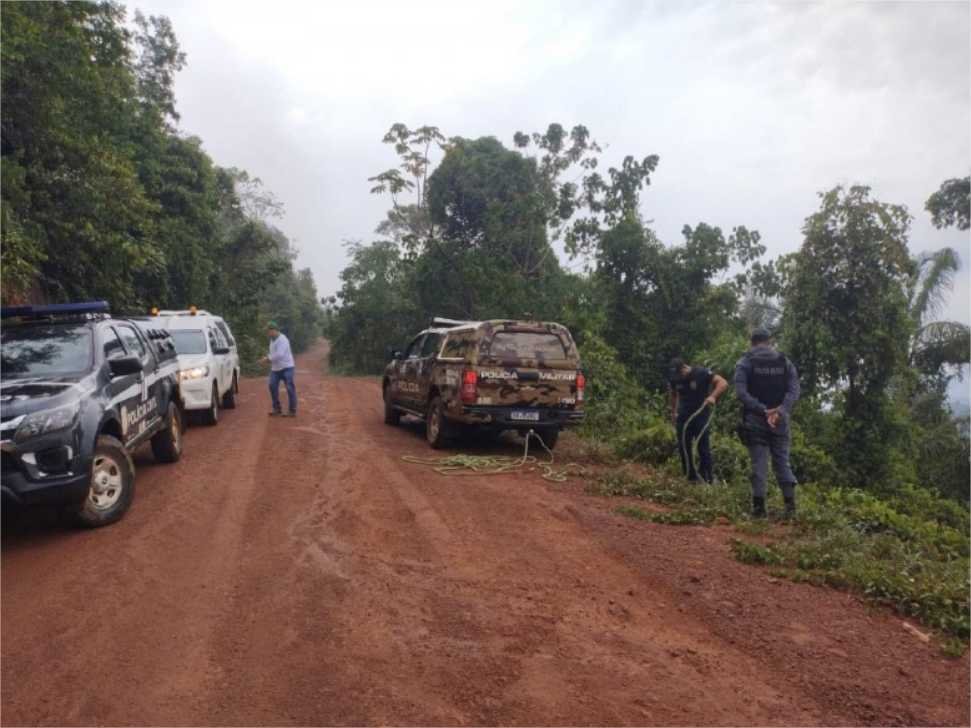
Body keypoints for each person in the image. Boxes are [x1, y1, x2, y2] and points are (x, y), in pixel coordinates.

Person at [734, 328, 800, 518]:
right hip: (779, 421)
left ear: (752, 341)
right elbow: (794, 391)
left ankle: (759, 510)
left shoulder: (745, 361)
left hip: (755, 419)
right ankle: (790, 509)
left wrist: (763, 410)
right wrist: (780, 411)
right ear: (769, 341)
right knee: (782, 461)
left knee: (759, 463)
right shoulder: (784, 361)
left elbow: (741, 393)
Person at [668, 358, 728, 483]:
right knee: (684, 446)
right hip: (683, 416)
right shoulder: (675, 378)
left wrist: (712, 397)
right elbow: (673, 393)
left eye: (680, 374)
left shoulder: (701, 372)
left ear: (684, 368)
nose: (679, 378)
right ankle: (690, 478)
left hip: (700, 414)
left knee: (703, 447)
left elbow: (723, 383)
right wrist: (673, 412)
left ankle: (707, 478)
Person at [260, 321, 296, 417]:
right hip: (275, 369)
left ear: (273, 330)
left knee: (289, 387)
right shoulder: (272, 340)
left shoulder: (283, 340)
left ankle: (292, 410)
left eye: (268, 331)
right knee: (272, 386)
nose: (267, 333)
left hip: (287, 367)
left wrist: (267, 359)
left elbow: (280, 354)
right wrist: (267, 358)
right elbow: (273, 353)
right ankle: (277, 408)